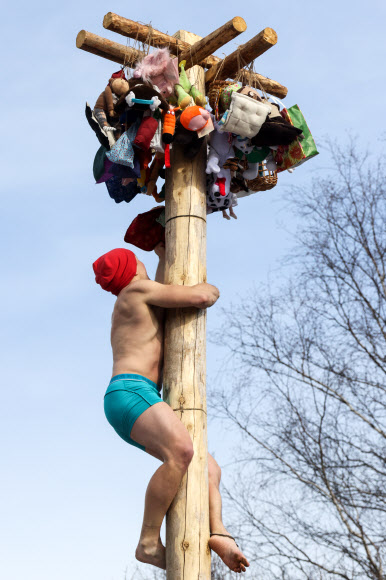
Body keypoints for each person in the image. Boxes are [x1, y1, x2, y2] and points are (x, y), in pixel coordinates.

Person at [93, 245, 250, 574]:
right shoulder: (136, 291)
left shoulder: (140, 298)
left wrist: (165, 253)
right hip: (131, 391)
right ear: (131, 269)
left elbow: (164, 286)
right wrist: (208, 289)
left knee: (208, 468)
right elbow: (199, 297)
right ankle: (148, 540)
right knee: (181, 451)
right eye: (139, 260)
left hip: (135, 397)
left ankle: (218, 531)